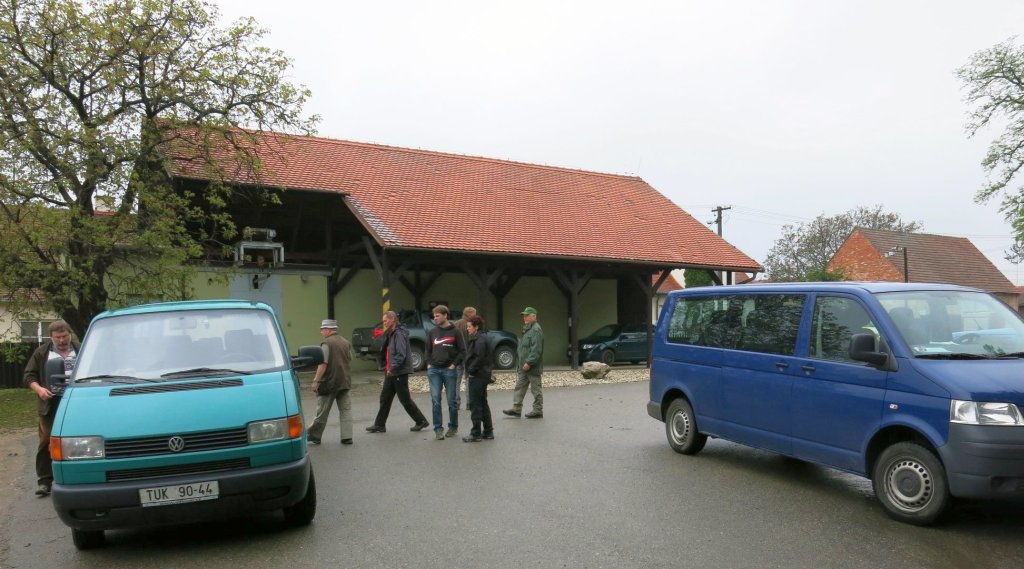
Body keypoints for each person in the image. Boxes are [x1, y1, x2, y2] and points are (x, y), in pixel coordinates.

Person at [23, 320, 79, 497]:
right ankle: (44, 482)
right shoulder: (42, 352)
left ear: (70, 334)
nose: (61, 340)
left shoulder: (82, 349)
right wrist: (39, 390)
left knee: (81, 439)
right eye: (57, 337)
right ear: (51, 337)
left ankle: (79, 477)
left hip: (78, 401)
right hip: (50, 403)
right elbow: (28, 376)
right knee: (47, 439)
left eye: (64, 336)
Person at [366, 310, 430, 433]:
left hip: (398, 371)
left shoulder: (399, 334)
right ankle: (379, 424)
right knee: (385, 398)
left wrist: (392, 368)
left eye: (385, 321)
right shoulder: (391, 333)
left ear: (393, 320)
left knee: (404, 399)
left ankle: (421, 421)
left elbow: (400, 354)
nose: (384, 323)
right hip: (391, 371)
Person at [307, 319, 354, 445]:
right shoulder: (345, 342)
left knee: (322, 412)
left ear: (328, 330)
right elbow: (349, 359)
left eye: (322, 329)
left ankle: (314, 435)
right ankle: (347, 436)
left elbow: (323, 364)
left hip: (329, 382)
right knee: (345, 410)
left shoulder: (326, 343)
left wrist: (316, 381)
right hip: (344, 381)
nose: (321, 332)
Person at [425, 305, 465, 440]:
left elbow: (462, 351)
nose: (435, 318)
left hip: (449, 370)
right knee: (436, 400)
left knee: (451, 401)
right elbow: (427, 350)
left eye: (437, 316)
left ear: (445, 315)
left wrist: (454, 365)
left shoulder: (456, 332)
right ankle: (438, 429)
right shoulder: (432, 332)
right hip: (434, 370)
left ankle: (453, 427)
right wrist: (429, 364)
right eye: (434, 316)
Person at [504, 306, 545, 419]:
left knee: (536, 389)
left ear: (534, 316)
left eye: (527, 315)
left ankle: (538, 410)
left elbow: (536, 350)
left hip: (532, 366)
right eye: (524, 316)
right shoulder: (527, 329)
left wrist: (529, 363)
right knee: (519, 387)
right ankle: (516, 409)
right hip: (524, 366)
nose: (524, 318)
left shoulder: (536, 330)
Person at [462, 315, 494, 442]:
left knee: (475, 404)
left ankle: (476, 433)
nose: (467, 329)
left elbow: (479, 357)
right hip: (483, 374)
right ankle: (488, 431)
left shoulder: (479, 339)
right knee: (483, 403)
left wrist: (471, 370)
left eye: (469, 326)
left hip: (478, 375)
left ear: (476, 327)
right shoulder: (482, 337)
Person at [452, 306, 477, 410]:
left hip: (458, 356)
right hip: (468, 355)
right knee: (468, 379)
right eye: (474, 313)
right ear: (470, 314)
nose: (476, 315)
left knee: (456, 380)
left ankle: (456, 402)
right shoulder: (471, 324)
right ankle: (469, 403)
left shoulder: (456, 324)